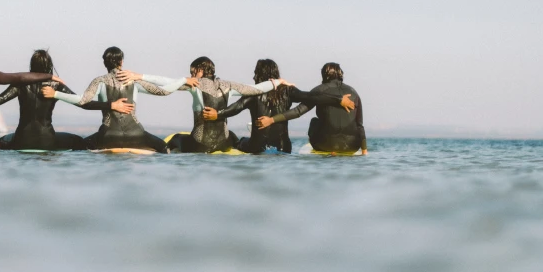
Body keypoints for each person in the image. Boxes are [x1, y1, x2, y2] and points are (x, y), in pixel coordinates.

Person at [0, 49, 135, 150]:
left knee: (4, 139)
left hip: (21, 141)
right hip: (48, 141)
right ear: (49, 66)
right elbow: (83, 103)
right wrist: (111, 105)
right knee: (78, 141)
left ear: (32, 66)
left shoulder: (21, 84)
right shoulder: (55, 85)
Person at [120, 56, 291, 153]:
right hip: (224, 144)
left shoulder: (195, 84)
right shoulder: (228, 85)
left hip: (200, 145)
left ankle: (166, 153)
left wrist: (139, 76)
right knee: (232, 136)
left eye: (192, 72)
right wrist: (278, 82)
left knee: (177, 138)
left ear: (200, 70)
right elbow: (256, 88)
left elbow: (168, 82)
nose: (191, 76)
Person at [42, 46, 195, 153]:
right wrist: (183, 80)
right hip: (137, 136)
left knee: (81, 146)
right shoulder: (133, 81)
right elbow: (163, 91)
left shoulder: (99, 81)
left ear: (104, 63)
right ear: (121, 62)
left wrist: (55, 94)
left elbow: (82, 100)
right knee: (163, 147)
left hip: (108, 137)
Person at [204, 59, 355, 154]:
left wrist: (217, 114)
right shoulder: (288, 91)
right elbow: (312, 97)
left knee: (237, 139)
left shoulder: (254, 92)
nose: (253, 76)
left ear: (260, 74)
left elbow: (237, 107)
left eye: (255, 73)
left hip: (257, 147)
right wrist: (338, 100)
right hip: (284, 148)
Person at [254, 62, 366, 155]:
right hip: (352, 146)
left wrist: (271, 120)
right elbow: (360, 124)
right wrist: (364, 150)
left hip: (325, 144)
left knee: (314, 121)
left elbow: (298, 111)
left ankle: (332, 148)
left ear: (324, 75)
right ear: (341, 74)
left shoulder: (319, 90)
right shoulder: (354, 93)